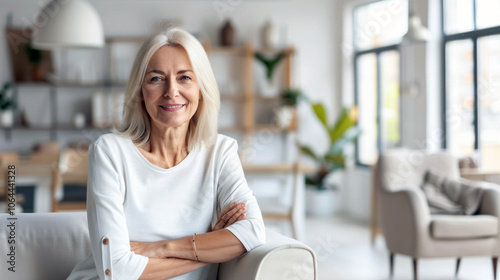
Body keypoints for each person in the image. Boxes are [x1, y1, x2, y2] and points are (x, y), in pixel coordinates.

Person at [67, 27, 266, 280]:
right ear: (140, 92)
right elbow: (116, 270)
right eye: (156, 78)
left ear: (201, 89)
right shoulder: (109, 152)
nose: (172, 91)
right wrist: (208, 246)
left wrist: (162, 248)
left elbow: (253, 231)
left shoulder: (221, 152)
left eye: (184, 78)